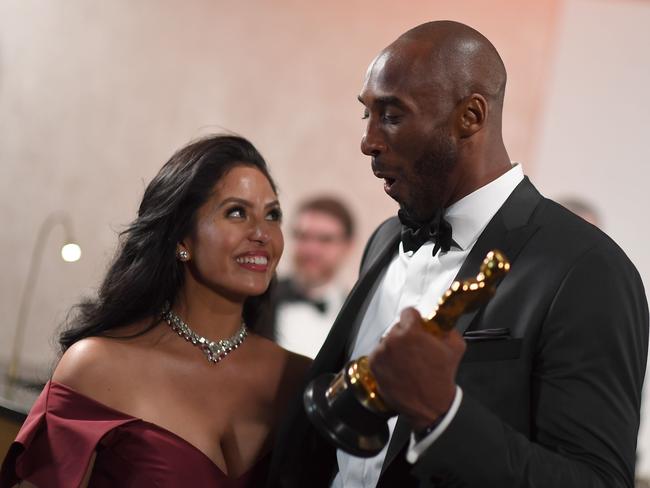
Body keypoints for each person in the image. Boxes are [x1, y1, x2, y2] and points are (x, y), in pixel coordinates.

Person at [268, 21, 648, 487]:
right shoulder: (386, 238)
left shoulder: (588, 269)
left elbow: (598, 481)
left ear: (470, 116)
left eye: (391, 115)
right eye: (366, 114)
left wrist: (443, 414)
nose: (368, 141)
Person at [1, 135, 311, 487]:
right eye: (236, 212)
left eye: (272, 215)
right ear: (182, 238)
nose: (262, 233)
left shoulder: (299, 378)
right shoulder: (96, 367)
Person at [263, 196, 355, 358]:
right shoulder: (260, 301)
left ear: (348, 246)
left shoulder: (357, 313)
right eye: (303, 236)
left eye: (325, 239)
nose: (311, 250)